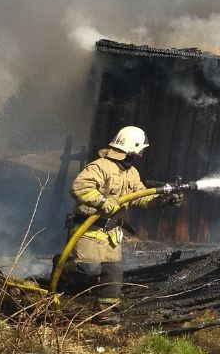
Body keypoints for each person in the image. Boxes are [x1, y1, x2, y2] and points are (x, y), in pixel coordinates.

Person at [68, 125, 181, 318]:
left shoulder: (131, 173)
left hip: (111, 235)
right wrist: (103, 202)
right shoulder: (100, 167)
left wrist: (164, 200)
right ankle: (63, 268)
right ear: (132, 147)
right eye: (141, 149)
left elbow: (141, 197)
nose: (142, 154)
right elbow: (80, 187)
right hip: (87, 231)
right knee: (88, 270)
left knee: (112, 274)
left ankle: (105, 313)